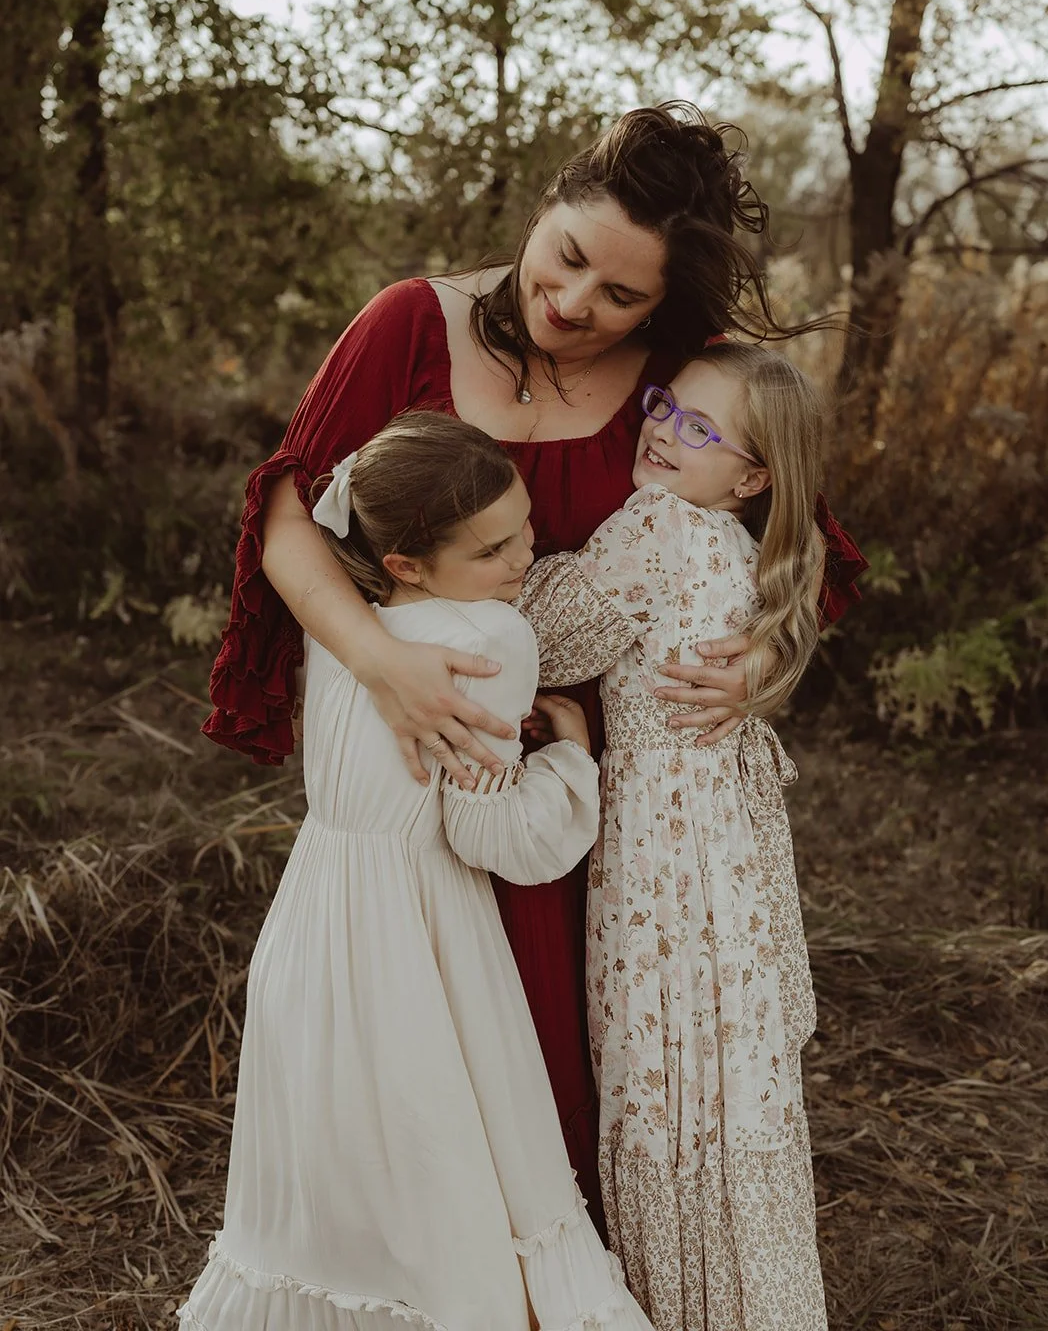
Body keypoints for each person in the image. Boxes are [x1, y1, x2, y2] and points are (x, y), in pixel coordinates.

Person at [202, 101, 866, 1215]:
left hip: (590, 798)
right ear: (544, 207)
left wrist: (760, 664)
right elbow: (283, 522)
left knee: (571, 1064)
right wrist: (378, 660)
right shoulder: (406, 325)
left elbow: (793, 533)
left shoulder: (684, 382)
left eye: (620, 297)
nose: (571, 305)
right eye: (564, 259)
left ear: (664, 305)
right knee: (424, 1075)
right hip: (425, 755)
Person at [179, 411, 656, 1331]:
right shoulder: (492, 639)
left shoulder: (343, 622)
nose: (523, 558)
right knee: (442, 1174)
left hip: (312, 923)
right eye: (491, 550)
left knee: (340, 1172)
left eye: (523, 530)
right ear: (405, 562)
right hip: (417, 936)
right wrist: (569, 761)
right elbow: (498, 840)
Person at [515, 343, 829, 1330]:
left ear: (751, 474)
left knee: (660, 1073)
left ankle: (676, 1303)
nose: (660, 429)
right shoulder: (743, 550)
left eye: (698, 428)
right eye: (662, 406)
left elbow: (550, 635)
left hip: (663, 859)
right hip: (728, 855)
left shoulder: (654, 527)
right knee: (726, 1077)